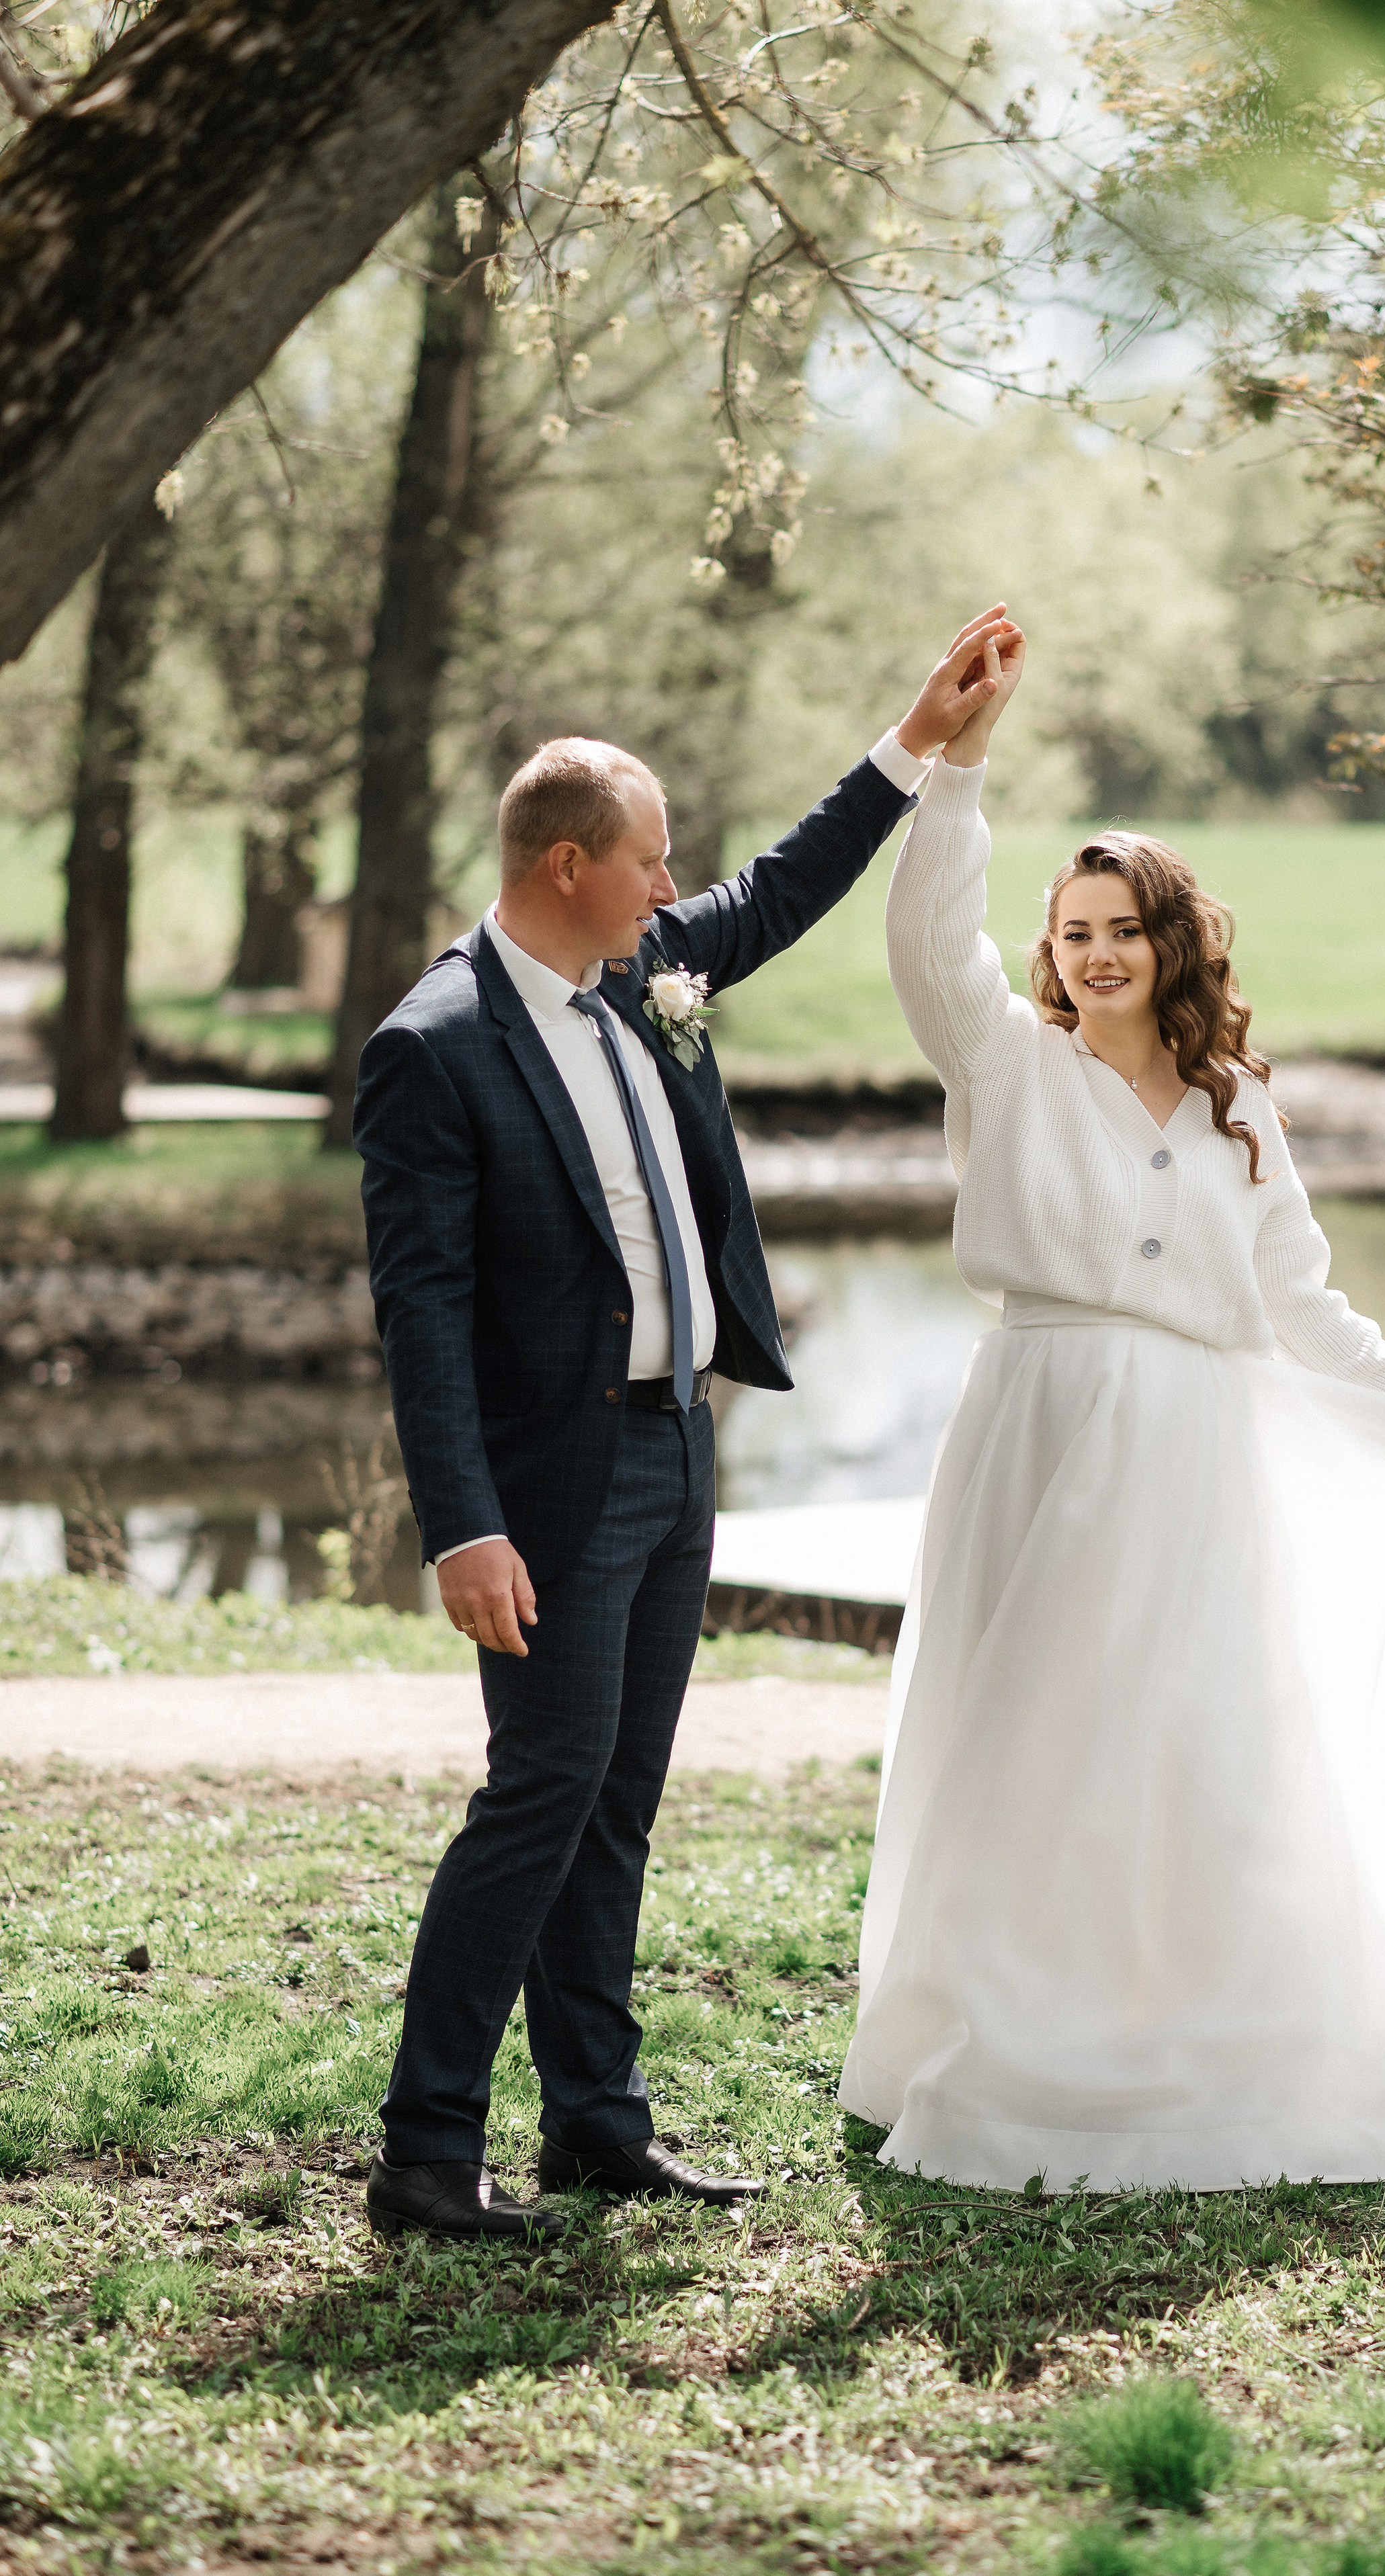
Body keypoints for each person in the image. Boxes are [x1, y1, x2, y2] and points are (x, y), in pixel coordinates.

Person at [838, 624, 1385, 2195]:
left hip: (1196, 1459)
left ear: (1170, 943)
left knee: (1196, 1735)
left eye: (1122, 927)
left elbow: (1299, 1303)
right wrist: (955, 773)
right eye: (1072, 930)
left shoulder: (1233, 1108)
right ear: (1046, 950)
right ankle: (1012, 2020)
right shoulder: (1002, 1063)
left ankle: (1207, 2016)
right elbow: (928, 941)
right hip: (1042, 1432)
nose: (1095, 952)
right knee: (1033, 1734)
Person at [355, 609, 1014, 2241]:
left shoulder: (641, 974)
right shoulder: (429, 1050)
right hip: (550, 1479)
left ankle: (594, 2124)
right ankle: (425, 2149)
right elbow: (420, 1310)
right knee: (540, 1792)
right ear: (569, 860)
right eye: (647, 862)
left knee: (618, 1798)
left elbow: (779, 887)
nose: (671, 888)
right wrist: (464, 1520)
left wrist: (910, 739)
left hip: (677, 1449)